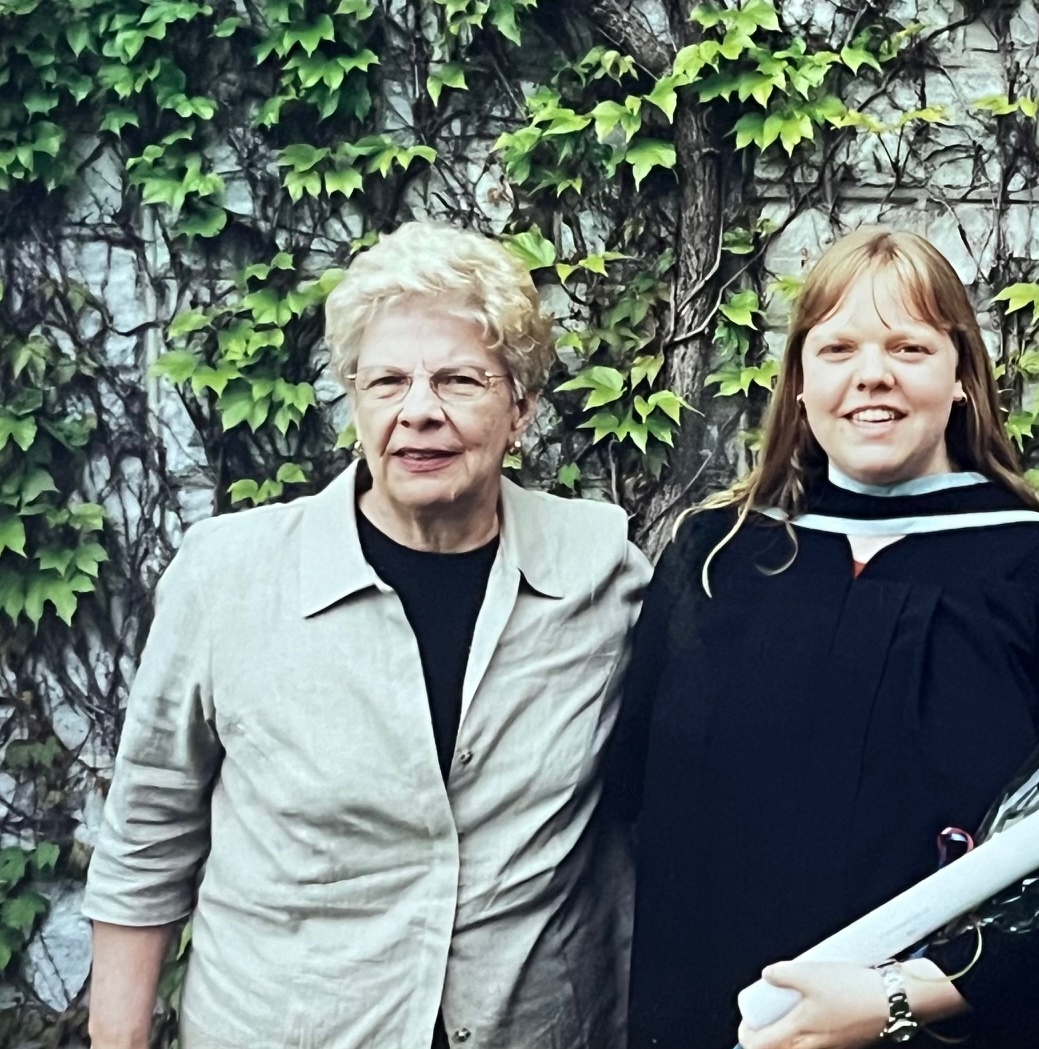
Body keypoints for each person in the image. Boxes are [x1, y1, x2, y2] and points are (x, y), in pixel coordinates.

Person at [611, 227, 1039, 1049]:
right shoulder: (718, 562)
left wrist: (915, 995)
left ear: (961, 378)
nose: (871, 374)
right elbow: (636, 811)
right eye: (838, 346)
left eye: (909, 346)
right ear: (801, 384)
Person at [84, 221, 651, 1049]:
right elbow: (147, 837)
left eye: (459, 380)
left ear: (521, 408)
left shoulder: (603, 573)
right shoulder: (230, 578)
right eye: (386, 381)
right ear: (354, 400)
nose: (418, 412)